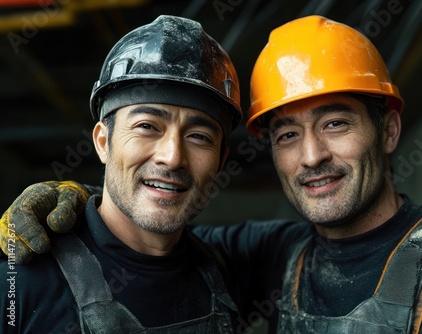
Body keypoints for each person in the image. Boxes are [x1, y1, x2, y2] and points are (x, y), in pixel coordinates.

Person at [2, 15, 422, 333]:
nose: (311, 156)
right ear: (103, 142)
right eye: (287, 135)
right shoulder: (20, 281)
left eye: (335, 123)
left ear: (388, 130)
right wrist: (84, 199)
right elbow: (140, 230)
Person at [0, 14, 244, 333]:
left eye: (199, 136)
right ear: (103, 142)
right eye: (147, 127)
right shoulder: (18, 284)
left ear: (221, 159)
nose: (172, 158)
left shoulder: (232, 265)